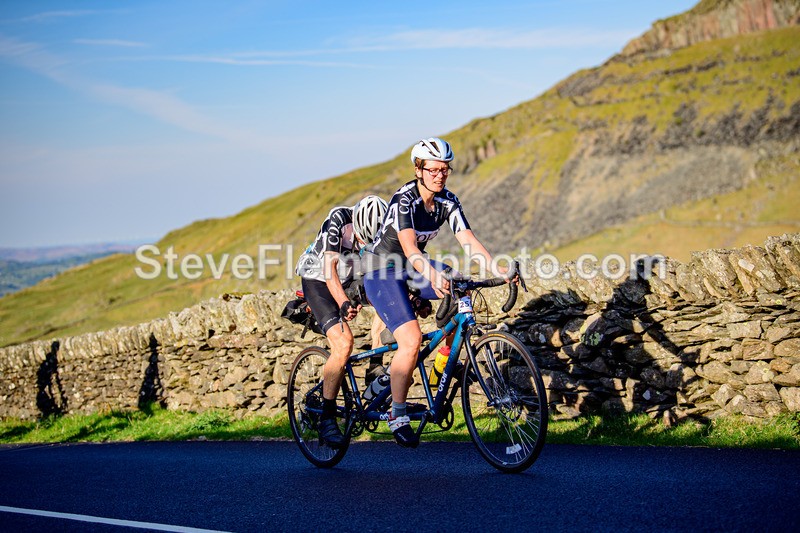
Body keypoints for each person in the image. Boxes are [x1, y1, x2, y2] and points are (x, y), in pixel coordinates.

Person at [363, 137, 516, 448]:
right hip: (382, 271)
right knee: (412, 339)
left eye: (445, 170)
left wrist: (498, 269)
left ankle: (440, 366)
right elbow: (408, 247)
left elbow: (468, 240)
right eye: (433, 170)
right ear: (419, 170)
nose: (440, 175)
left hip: (411, 267)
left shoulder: (448, 201)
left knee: (460, 288)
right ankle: (398, 414)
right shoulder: (404, 200)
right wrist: (431, 274)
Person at [295, 194, 388, 448]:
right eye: (360, 240)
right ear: (356, 225)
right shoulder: (339, 219)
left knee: (389, 302)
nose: (362, 245)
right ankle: (326, 417)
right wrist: (344, 302)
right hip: (319, 279)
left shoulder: (385, 226)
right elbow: (329, 271)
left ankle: (375, 368)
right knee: (344, 343)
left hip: (350, 277)